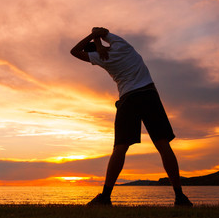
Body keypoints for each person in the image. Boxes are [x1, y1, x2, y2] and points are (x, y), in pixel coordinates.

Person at [70, 27, 193, 207]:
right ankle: (180, 196)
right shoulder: (122, 45)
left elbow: (74, 51)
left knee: (120, 148)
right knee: (163, 144)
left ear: (94, 55)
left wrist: (93, 39)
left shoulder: (102, 59)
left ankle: (105, 197)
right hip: (149, 94)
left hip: (128, 98)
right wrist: (96, 35)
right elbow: (103, 31)